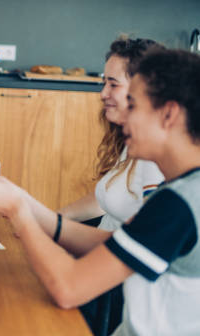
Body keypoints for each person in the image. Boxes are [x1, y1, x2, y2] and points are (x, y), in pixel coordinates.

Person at [0, 48, 200, 335]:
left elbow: (68, 288)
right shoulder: (185, 190)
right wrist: (23, 202)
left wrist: (19, 212)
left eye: (134, 105)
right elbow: (113, 243)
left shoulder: (176, 204)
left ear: (169, 114)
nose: (124, 116)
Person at [59, 37, 164, 231]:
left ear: (145, 89)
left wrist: (52, 227)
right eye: (104, 82)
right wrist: (55, 219)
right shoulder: (133, 139)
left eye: (113, 84)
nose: (102, 93)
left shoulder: (154, 159)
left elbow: (142, 242)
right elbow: (108, 198)